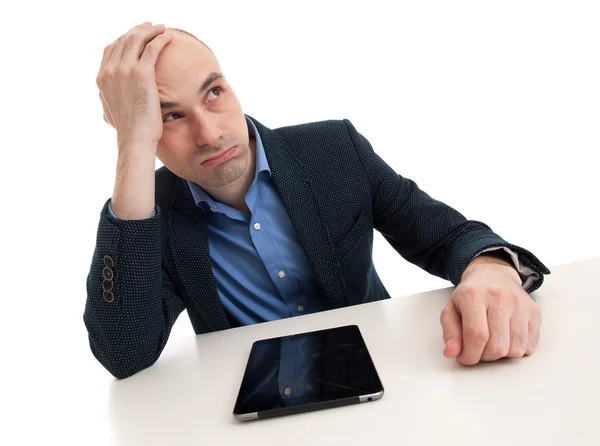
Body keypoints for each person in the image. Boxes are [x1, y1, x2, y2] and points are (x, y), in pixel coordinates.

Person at [85, 22, 550, 379]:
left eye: (213, 93)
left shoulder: (333, 151)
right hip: (251, 406)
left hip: (382, 378)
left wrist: (490, 270)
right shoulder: (148, 217)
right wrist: (132, 147)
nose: (211, 133)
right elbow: (125, 354)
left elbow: (446, 236)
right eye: (170, 117)